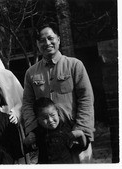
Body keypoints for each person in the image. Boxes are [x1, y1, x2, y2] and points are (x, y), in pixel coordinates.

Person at [22, 22, 95, 163]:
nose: (47, 43)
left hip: (73, 135)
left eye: (51, 38)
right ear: (37, 44)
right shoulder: (30, 73)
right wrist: (32, 130)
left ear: (59, 40)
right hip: (46, 139)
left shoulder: (74, 65)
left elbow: (86, 99)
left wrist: (81, 130)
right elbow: (27, 103)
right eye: (42, 40)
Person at [25, 97, 88, 164]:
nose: (50, 120)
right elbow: (25, 151)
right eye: (45, 118)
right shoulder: (37, 133)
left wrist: (81, 135)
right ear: (38, 120)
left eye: (52, 115)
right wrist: (26, 141)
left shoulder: (66, 128)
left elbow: (82, 147)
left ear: (57, 113)